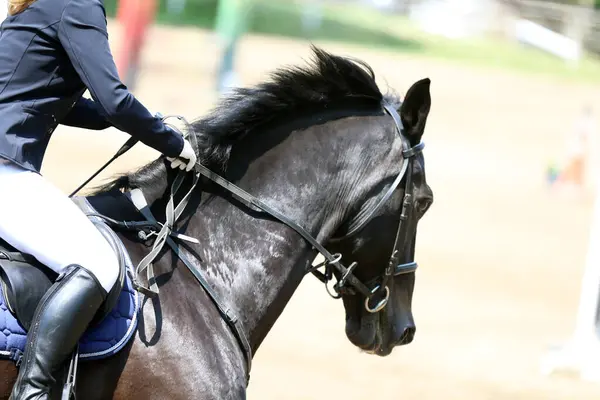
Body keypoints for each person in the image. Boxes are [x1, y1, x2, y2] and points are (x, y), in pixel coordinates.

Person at [0, 0, 197, 398]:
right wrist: (172, 143)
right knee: (98, 262)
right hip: (5, 170)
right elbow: (114, 99)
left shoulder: (39, 4)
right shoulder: (78, 5)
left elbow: (62, 100)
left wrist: (151, 122)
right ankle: (33, 391)